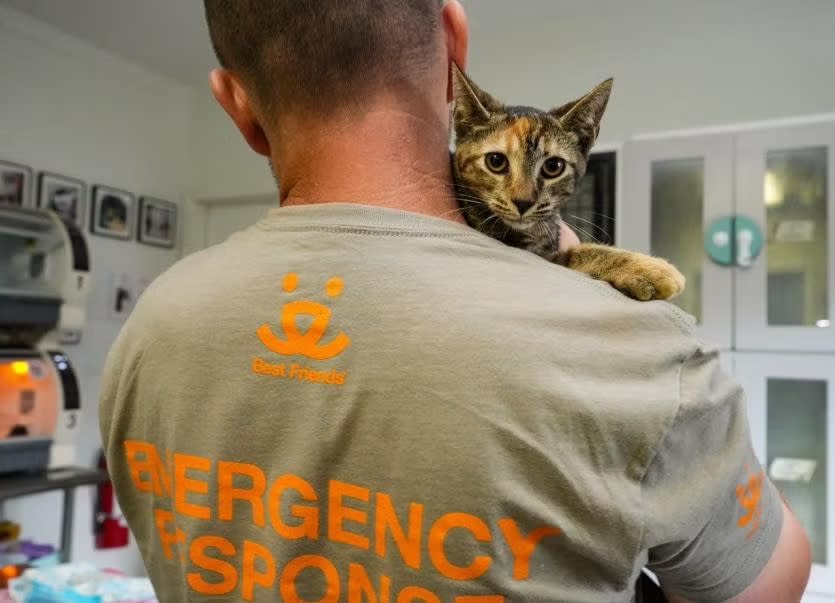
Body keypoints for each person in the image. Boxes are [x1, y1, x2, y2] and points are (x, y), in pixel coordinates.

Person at [98, 1, 811, 601]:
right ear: (453, 49)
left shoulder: (149, 328)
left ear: (235, 103)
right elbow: (768, 585)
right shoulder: (639, 352)